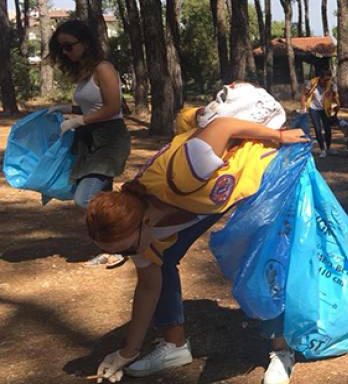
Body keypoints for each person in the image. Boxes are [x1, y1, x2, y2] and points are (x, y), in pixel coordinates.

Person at [86, 106, 309, 384]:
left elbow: (225, 125)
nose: (127, 256)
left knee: (264, 254)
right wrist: (126, 352)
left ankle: (282, 351)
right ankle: (175, 346)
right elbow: (148, 287)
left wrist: (279, 136)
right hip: (216, 194)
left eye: (126, 250)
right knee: (163, 260)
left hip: (264, 165)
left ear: (145, 223)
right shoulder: (143, 233)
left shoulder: (184, 175)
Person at [47, 20, 131, 269]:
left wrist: (78, 121)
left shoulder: (104, 68)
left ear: (85, 42)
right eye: (61, 48)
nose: (65, 52)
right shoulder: (86, 72)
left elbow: (113, 108)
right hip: (89, 140)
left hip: (109, 139)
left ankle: (129, 235)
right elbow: (91, 105)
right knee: (102, 198)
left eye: (68, 46)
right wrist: (66, 109)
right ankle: (112, 248)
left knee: (85, 199)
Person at [300, 69, 338, 158]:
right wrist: (303, 107)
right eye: (325, 79)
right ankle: (322, 150)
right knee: (317, 129)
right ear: (320, 78)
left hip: (325, 108)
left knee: (328, 129)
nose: (327, 81)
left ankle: (328, 148)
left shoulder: (331, 85)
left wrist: (337, 105)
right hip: (313, 108)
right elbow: (304, 94)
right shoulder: (312, 83)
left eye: (328, 79)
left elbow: (335, 96)